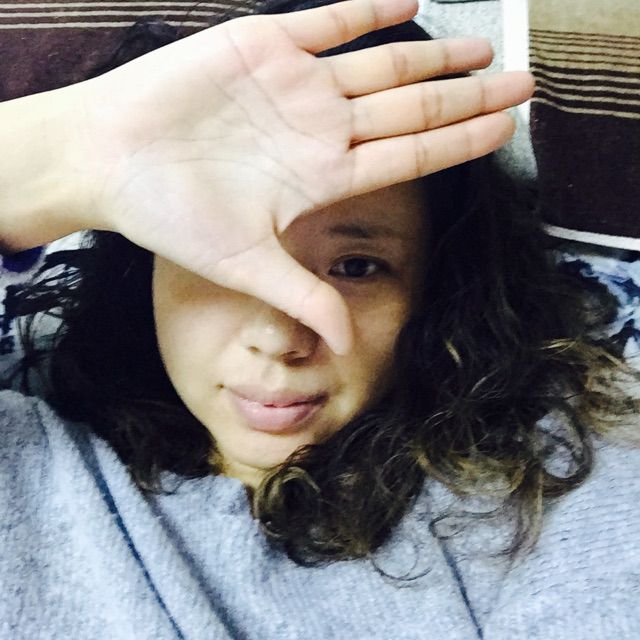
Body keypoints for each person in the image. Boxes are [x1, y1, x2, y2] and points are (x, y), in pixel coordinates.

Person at [1, 0, 638, 638]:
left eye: (356, 267)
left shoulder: (555, 485)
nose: (280, 339)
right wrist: (65, 152)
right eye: (220, 257)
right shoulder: (32, 467)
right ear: (143, 266)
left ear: (434, 287)